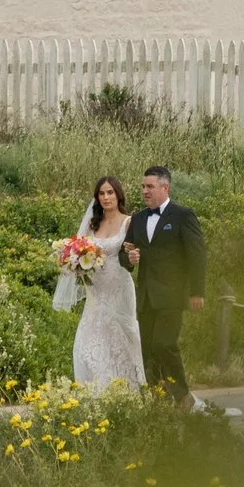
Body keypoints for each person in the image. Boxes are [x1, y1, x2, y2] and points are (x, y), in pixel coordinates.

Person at [122, 165, 206, 401]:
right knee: (147, 349)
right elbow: (124, 254)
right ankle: (158, 396)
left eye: (150, 186)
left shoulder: (183, 215)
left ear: (164, 187)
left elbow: (197, 254)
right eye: (143, 186)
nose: (145, 191)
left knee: (164, 344)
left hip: (172, 295)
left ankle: (182, 395)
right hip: (146, 296)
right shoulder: (137, 218)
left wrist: (197, 291)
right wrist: (129, 258)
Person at [54, 176, 146, 389]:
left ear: (118, 194)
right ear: (97, 197)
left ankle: (129, 387)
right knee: (89, 339)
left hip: (119, 287)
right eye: (102, 193)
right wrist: (75, 263)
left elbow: (132, 254)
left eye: (110, 192)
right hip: (96, 289)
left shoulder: (129, 221)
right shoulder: (91, 223)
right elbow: (77, 251)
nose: (106, 197)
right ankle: (97, 389)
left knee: (123, 336)